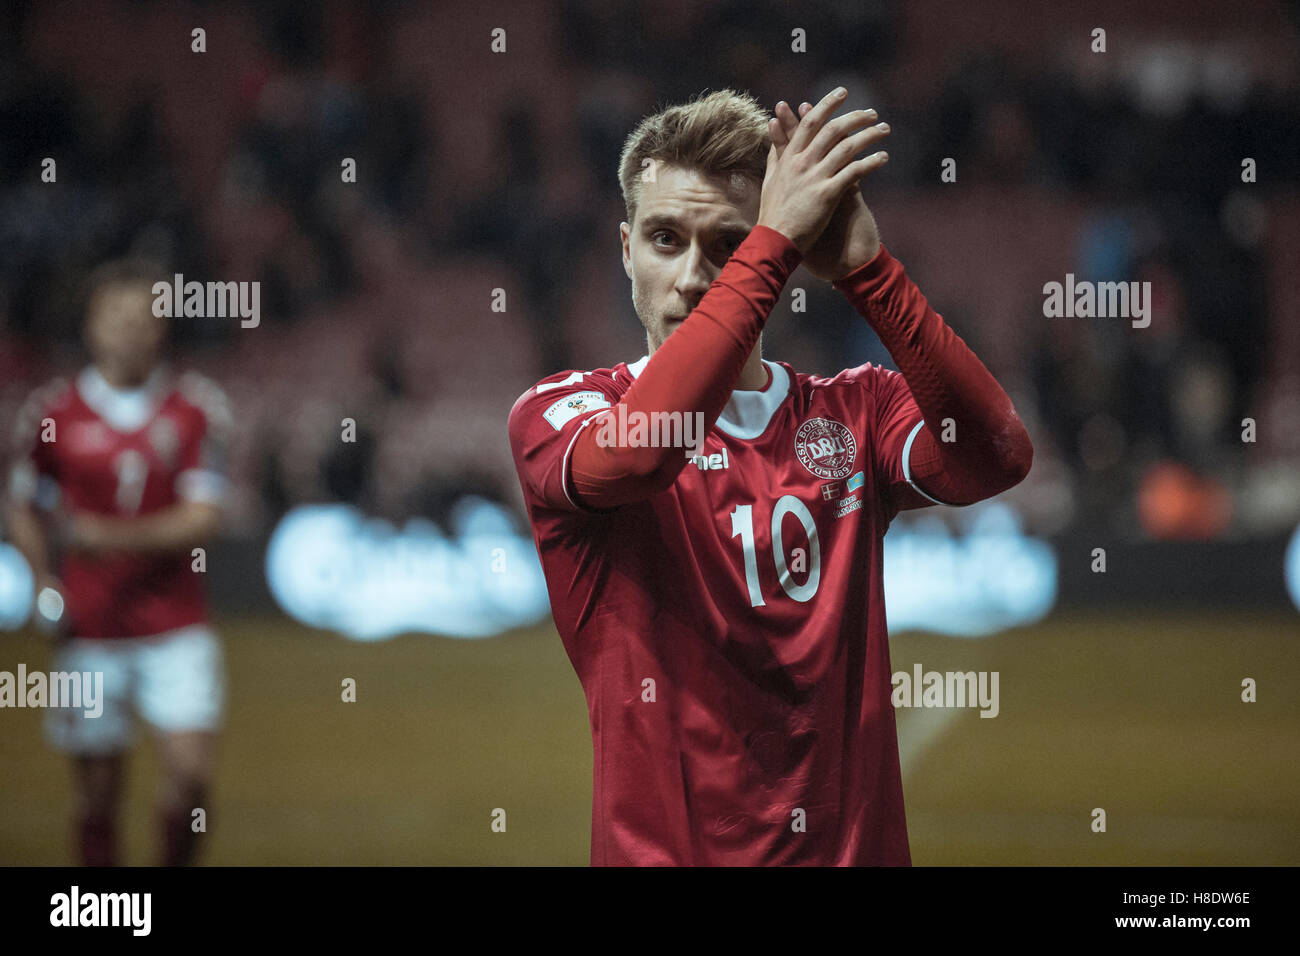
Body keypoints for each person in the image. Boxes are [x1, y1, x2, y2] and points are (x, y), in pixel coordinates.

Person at [507, 88, 1032, 865]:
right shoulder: (561, 412)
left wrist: (869, 273)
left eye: (728, 243)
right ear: (624, 250)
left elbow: (997, 455)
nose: (692, 276)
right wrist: (770, 240)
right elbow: (645, 453)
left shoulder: (855, 412)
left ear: (781, 260)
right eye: (663, 239)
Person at [5, 259, 232, 866]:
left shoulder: (193, 410)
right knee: (98, 791)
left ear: (161, 327)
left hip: (175, 623)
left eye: (143, 317)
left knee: (190, 779)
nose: (130, 330)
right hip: (90, 624)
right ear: (91, 327)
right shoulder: (54, 414)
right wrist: (41, 582)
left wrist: (104, 536)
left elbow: (205, 515)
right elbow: (23, 504)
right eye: (116, 317)